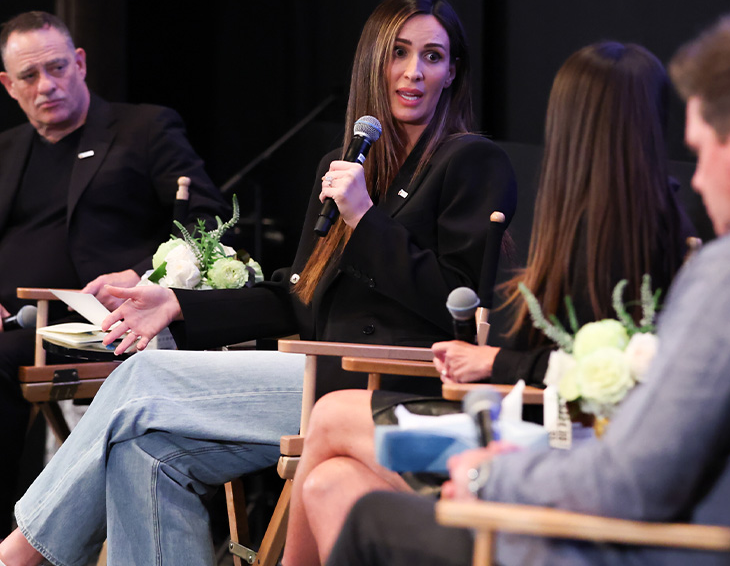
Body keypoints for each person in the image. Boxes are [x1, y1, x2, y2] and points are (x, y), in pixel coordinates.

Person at [325, 3, 730, 566]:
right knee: (336, 483)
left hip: (661, 549)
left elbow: (629, 483)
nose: (699, 181)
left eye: (701, 151)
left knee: (374, 517)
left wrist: (489, 475)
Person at [0, 0, 517, 566]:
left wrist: (365, 219)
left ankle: (13, 557)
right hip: (315, 373)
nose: (413, 71)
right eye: (399, 52)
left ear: (453, 72)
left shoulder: (471, 161)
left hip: (381, 385)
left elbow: (454, 302)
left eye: (432, 56)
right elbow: (295, 296)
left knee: (143, 378)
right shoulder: (347, 163)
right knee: (142, 453)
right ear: (373, 59)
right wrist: (176, 303)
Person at [283, 41, 696, 565]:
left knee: (332, 414)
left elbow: (599, 370)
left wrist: (495, 360)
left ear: (571, 123)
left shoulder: (633, 229)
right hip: (539, 432)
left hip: (554, 456)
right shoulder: (609, 215)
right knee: (329, 484)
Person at [0, 11, 230, 566]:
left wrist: (141, 275)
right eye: (29, 76)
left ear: (80, 63)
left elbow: (206, 222)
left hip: (85, 325)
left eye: (57, 68)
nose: (46, 85)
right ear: (8, 85)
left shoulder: (143, 129)